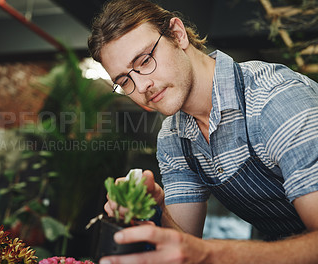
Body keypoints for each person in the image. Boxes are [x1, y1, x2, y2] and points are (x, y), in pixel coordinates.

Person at [88, 0, 318, 263]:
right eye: (125, 80)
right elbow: (183, 247)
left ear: (177, 34)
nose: (141, 86)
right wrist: (157, 209)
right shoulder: (174, 138)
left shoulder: (275, 100)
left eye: (145, 60)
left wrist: (209, 253)